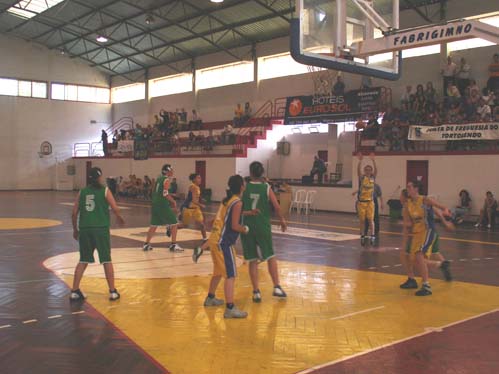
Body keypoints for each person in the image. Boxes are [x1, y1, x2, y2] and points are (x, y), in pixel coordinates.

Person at [197, 175, 252, 318]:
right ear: (241, 187)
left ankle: (210, 298)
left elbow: (221, 218)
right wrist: (245, 229)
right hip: (224, 243)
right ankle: (230, 308)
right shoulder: (238, 202)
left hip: (215, 241)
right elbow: (234, 225)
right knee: (230, 275)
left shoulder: (227, 200)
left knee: (218, 272)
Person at [70, 167, 125, 302]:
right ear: (99, 178)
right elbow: (115, 208)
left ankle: (74, 291)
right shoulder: (105, 190)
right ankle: (112, 291)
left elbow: (74, 213)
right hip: (100, 229)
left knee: (83, 260)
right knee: (106, 260)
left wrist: (75, 229)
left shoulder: (82, 192)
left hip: (85, 229)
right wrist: (119, 217)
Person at [241, 161, 287, 303]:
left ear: (250, 173)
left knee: (252, 260)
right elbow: (277, 206)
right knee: (270, 256)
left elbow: (238, 206)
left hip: (247, 227)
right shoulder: (266, 187)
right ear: (261, 173)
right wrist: (282, 220)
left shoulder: (244, 187)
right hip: (262, 226)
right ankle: (277, 286)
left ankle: (256, 292)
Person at [404, 180, 452, 296]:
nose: (408, 189)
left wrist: (446, 217)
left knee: (419, 255)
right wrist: (407, 224)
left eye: (410, 187)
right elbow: (408, 222)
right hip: (416, 233)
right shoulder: (408, 204)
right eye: (407, 187)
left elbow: (442, 207)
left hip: (427, 231)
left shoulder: (424, 200)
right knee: (414, 260)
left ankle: (426, 285)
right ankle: (440, 264)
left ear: (416, 189)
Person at [142, 164, 183, 252]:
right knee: (174, 223)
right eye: (171, 170)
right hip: (162, 204)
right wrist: (173, 201)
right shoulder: (166, 180)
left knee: (154, 225)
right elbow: (165, 193)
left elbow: (157, 191)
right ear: (167, 171)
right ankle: (173, 245)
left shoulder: (159, 179)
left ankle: (146, 244)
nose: (172, 172)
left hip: (155, 203)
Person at [356, 153, 377, 246]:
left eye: (369, 170)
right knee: (362, 220)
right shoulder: (362, 178)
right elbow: (358, 171)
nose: (368, 171)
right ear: (365, 171)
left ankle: (372, 235)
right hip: (361, 203)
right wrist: (360, 161)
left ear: (371, 171)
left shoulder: (373, 178)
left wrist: (373, 160)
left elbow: (376, 170)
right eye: (366, 170)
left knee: (371, 219)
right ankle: (363, 236)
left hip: (370, 202)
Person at [180, 173, 207, 242]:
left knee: (202, 224)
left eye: (200, 178)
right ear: (194, 179)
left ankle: (205, 239)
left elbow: (195, 196)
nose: (200, 179)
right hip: (188, 209)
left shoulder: (197, 187)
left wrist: (201, 198)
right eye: (198, 178)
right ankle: (171, 228)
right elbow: (193, 200)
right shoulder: (193, 186)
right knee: (184, 225)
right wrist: (201, 205)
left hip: (196, 209)